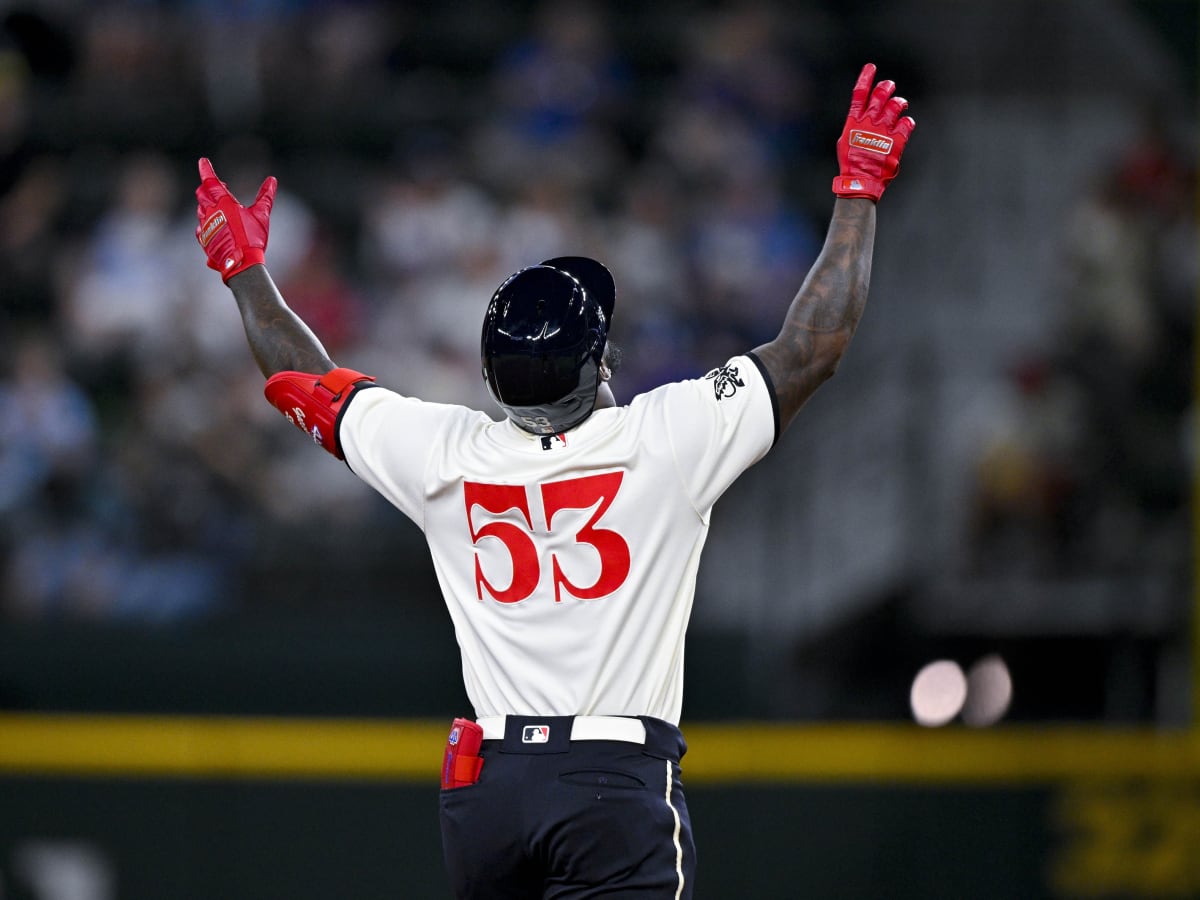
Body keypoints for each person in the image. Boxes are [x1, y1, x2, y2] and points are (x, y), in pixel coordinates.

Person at [194, 62, 914, 900]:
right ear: (601, 360)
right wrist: (857, 191)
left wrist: (244, 274)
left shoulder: (443, 454)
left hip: (487, 792)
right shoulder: (668, 438)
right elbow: (811, 347)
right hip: (611, 781)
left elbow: (308, 383)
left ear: (495, 380)